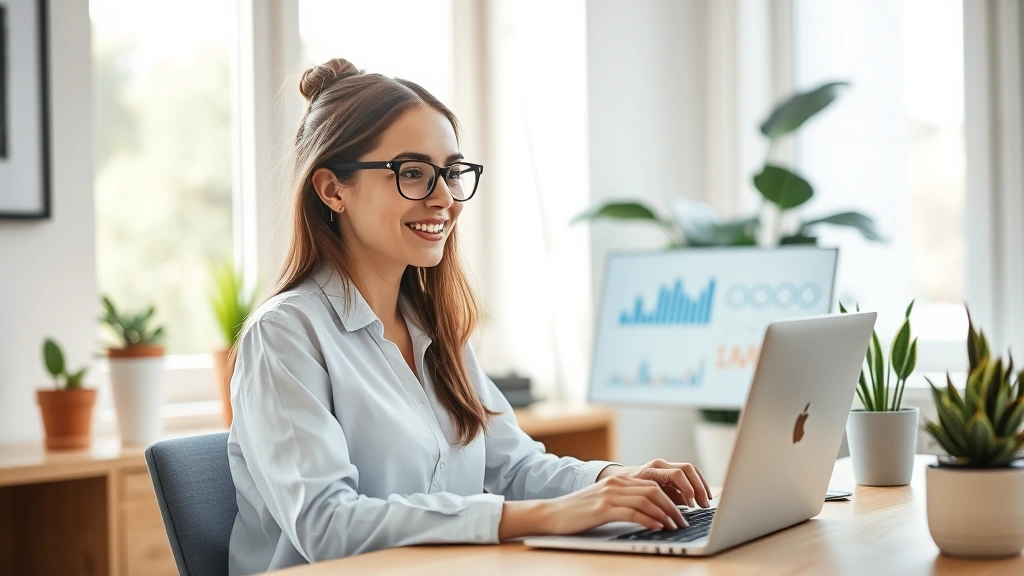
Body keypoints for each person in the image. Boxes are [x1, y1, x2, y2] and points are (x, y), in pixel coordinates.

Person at [226, 58, 711, 575]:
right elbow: (326, 524)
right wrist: (546, 516)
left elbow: (515, 466)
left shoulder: (434, 328)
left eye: (451, 173)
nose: (443, 199)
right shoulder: (284, 335)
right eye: (412, 173)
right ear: (332, 189)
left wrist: (614, 481)